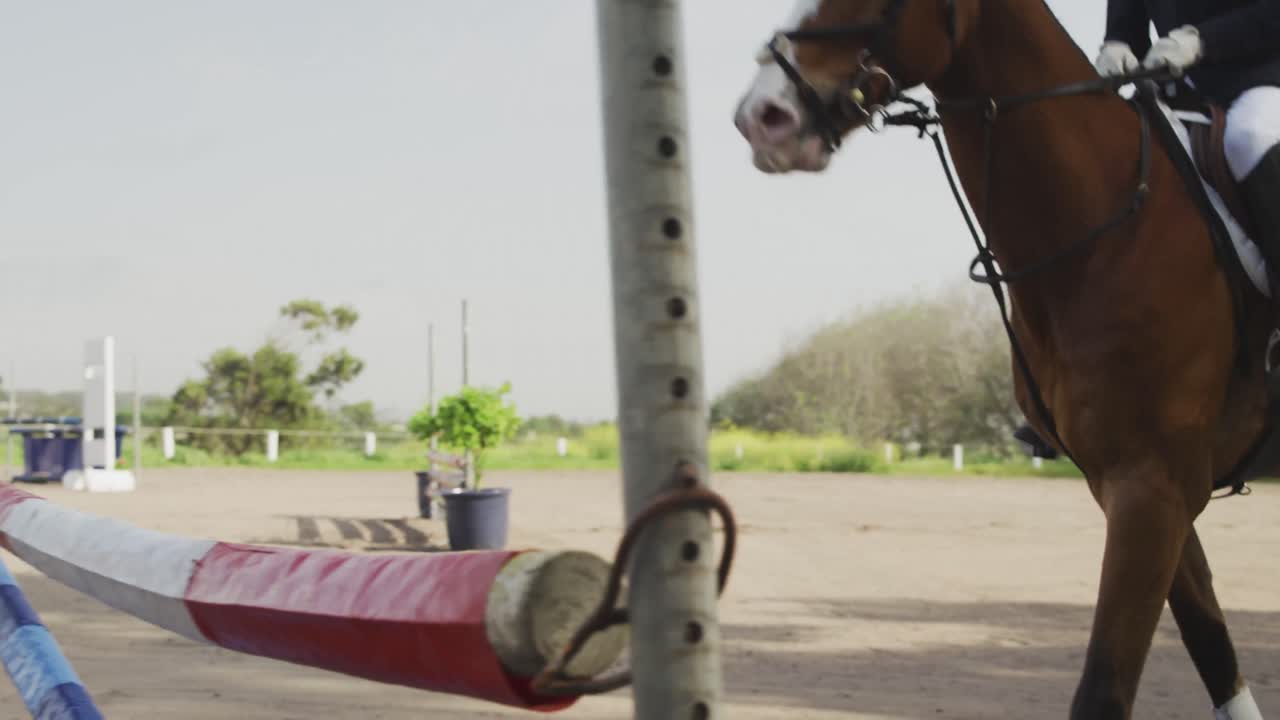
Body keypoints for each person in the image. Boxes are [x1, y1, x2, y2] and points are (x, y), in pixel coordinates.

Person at [1096, 1, 1280, 299]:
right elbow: (1128, 25)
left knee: (1249, 136)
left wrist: (1203, 40)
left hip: (1261, 76)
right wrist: (1117, 44)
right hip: (1178, 92)